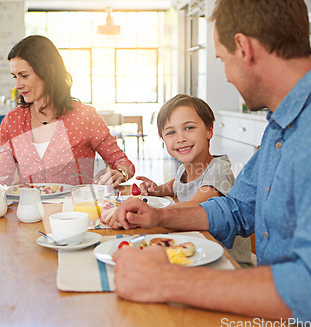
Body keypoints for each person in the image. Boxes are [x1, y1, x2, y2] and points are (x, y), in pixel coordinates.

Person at [111, 0, 311, 327]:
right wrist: (160, 215)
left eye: (223, 60)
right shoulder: (281, 127)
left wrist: (168, 281)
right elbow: (236, 208)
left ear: (243, 47)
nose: (226, 76)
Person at [101, 94, 253, 265]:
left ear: (209, 130)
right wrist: (158, 189)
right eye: (171, 132)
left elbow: (196, 205)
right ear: (163, 140)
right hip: (196, 250)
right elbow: (177, 185)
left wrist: (149, 213)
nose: (181, 138)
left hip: (227, 261)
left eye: (189, 128)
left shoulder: (218, 170)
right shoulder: (185, 168)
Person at [0, 35, 134, 187]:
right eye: (15, 76)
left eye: (24, 75)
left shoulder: (85, 116)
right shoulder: (12, 121)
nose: (17, 85)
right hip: (28, 215)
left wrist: (120, 172)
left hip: (75, 213)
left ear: (49, 71)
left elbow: (123, 162)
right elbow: (3, 177)